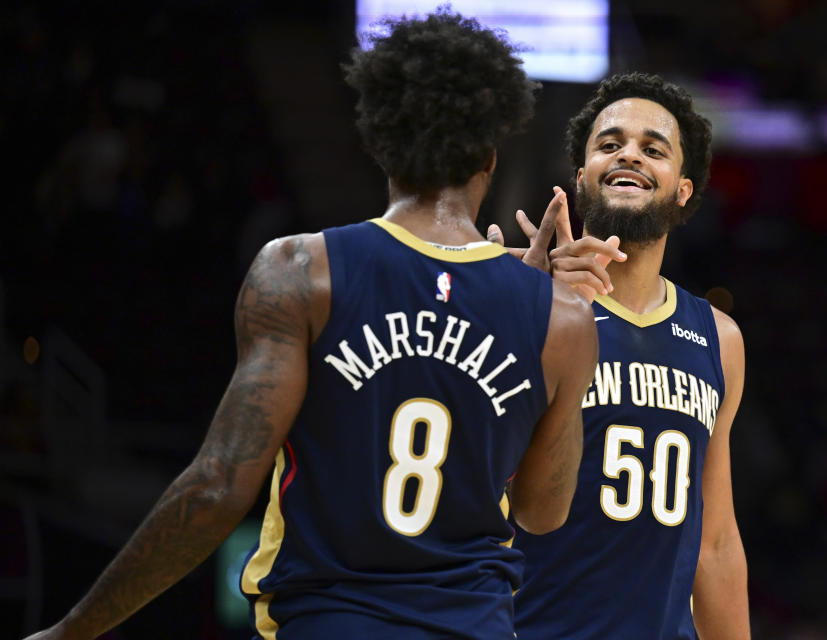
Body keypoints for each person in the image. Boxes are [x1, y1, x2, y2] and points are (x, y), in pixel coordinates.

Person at [24, 11, 600, 640]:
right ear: (491, 155)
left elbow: (219, 485)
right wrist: (544, 329)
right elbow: (543, 514)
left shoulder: (300, 271)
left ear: (378, 141)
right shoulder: (562, 317)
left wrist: (73, 631)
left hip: (328, 622)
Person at [492, 72, 750, 639]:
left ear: (683, 188)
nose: (629, 154)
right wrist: (513, 313)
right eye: (609, 144)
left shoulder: (719, 339)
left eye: (653, 149)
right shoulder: (524, 305)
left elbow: (716, 541)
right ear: (581, 179)